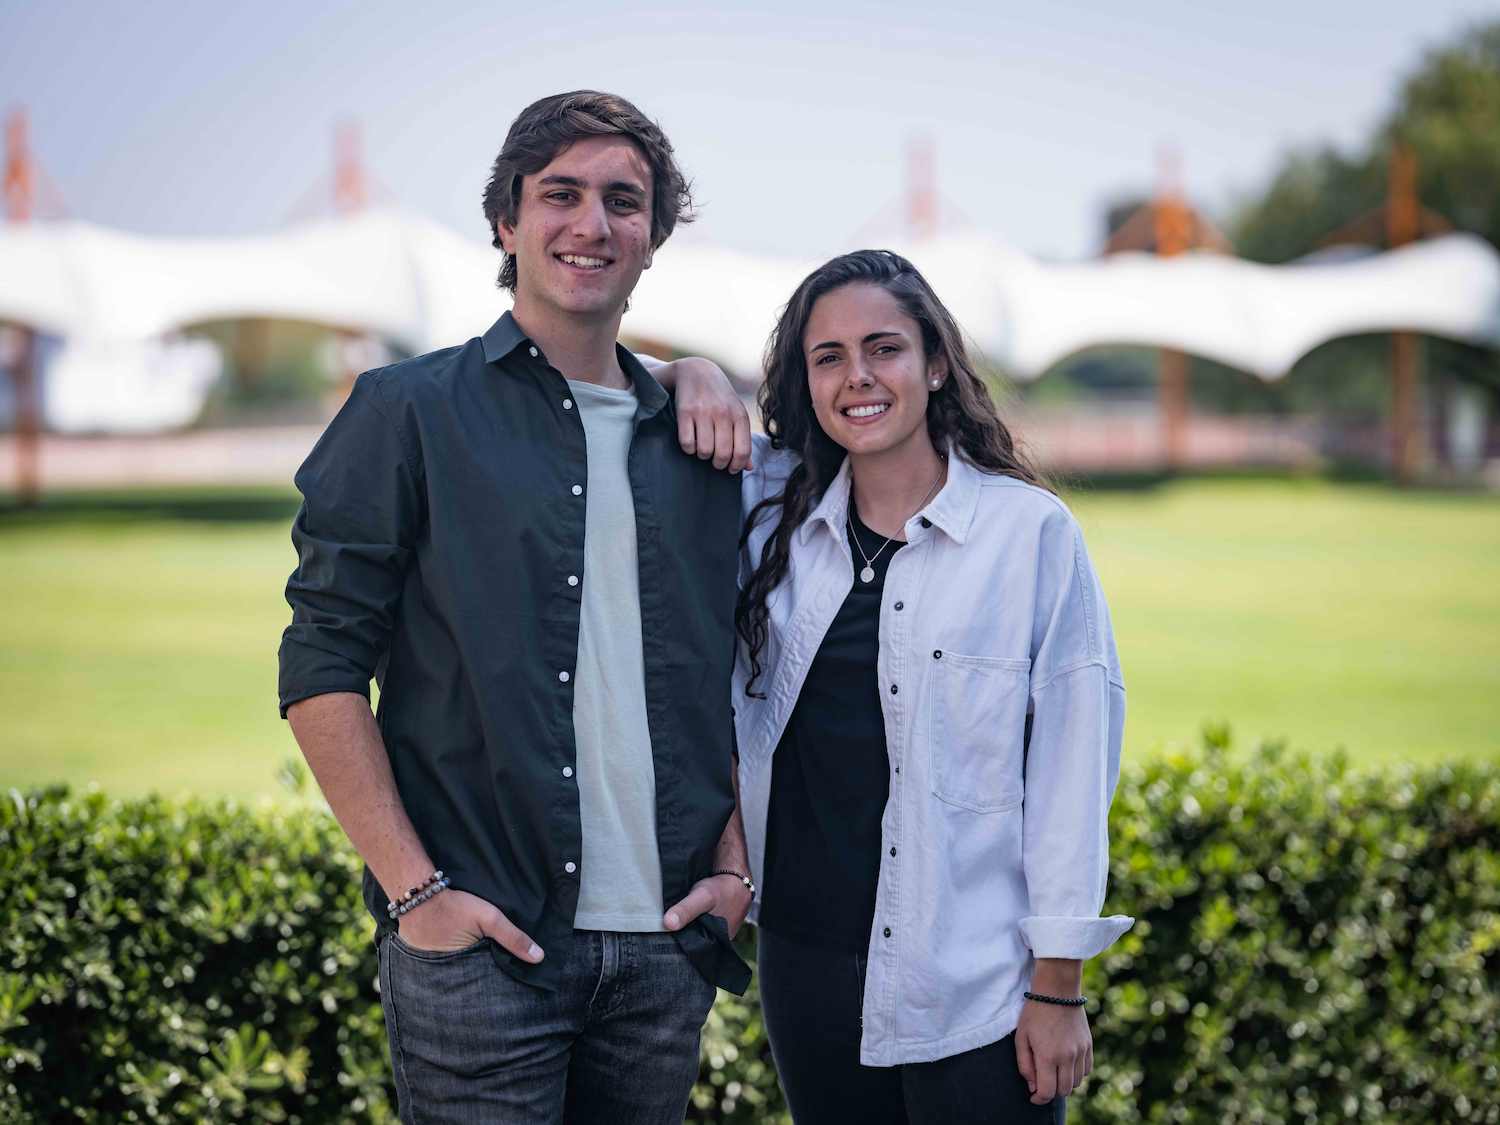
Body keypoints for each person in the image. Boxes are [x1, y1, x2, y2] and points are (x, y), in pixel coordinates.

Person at [277, 90, 757, 1125]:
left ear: (652, 239)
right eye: (561, 194)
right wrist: (416, 895)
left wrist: (735, 867)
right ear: (507, 221)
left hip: (667, 949)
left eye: (623, 202)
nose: (592, 224)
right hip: (481, 948)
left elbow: (755, 668)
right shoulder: (407, 412)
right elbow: (320, 664)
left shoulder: (705, 441)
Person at [729, 249, 1133, 1123]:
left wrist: (1058, 989)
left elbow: (1071, 769)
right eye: (828, 356)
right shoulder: (774, 527)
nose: (857, 377)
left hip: (978, 976)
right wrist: (690, 372)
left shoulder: (1030, 536)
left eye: (885, 348)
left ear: (936, 362)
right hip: (809, 967)